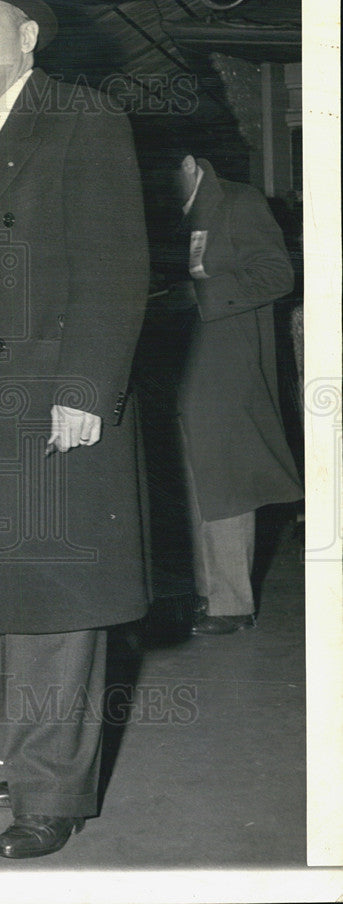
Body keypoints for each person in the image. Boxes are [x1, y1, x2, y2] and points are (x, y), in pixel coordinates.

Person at [0, 0, 150, 858]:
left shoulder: (82, 118)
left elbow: (116, 263)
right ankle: (34, 762)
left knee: (56, 601)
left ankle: (49, 792)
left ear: (29, 36)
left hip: (56, 398)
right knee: (18, 599)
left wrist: (84, 391)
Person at [171, 154, 303, 635]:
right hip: (179, 365)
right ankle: (207, 596)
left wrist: (200, 295)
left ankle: (232, 604)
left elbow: (277, 275)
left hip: (228, 366)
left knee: (225, 483)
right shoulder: (166, 207)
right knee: (190, 483)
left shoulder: (239, 202)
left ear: (189, 161)